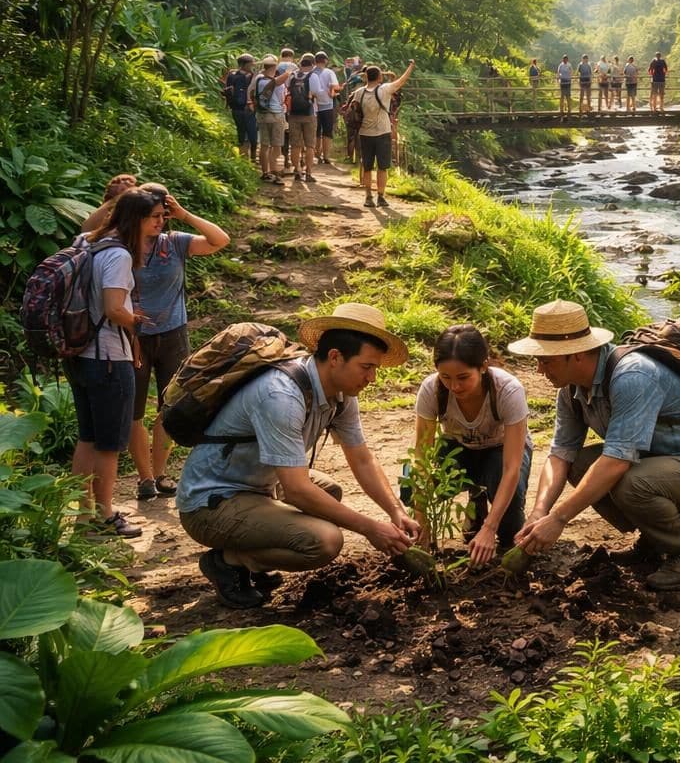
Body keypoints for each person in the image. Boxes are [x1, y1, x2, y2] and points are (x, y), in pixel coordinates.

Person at [177, 303, 419, 608]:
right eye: (367, 367)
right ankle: (230, 560)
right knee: (325, 541)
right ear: (335, 358)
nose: (372, 378)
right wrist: (370, 527)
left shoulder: (341, 394)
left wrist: (395, 512)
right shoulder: (281, 396)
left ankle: (255, 558)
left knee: (329, 491)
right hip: (211, 502)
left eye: (375, 369)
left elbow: (362, 459)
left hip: (258, 485)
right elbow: (297, 490)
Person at [511, 300, 680, 592]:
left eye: (547, 360)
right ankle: (656, 539)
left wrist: (559, 519)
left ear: (577, 354)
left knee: (629, 481)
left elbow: (617, 462)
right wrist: (539, 512)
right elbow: (560, 454)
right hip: (666, 469)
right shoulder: (571, 390)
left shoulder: (633, 375)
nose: (539, 369)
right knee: (580, 464)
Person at [68, 188, 163, 539]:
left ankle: (83, 516)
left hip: (79, 354)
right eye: (154, 217)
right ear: (136, 219)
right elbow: (112, 308)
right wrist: (136, 321)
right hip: (109, 357)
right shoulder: (119, 255)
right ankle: (106, 515)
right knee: (109, 444)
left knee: (88, 437)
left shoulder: (89, 242)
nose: (159, 223)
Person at [129, 184, 230, 502]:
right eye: (152, 215)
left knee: (168, 407)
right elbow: (86, 233)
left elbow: (219, 240)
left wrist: (185, 215)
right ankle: (144, 478)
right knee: (134, 412)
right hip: (132, 336)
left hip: (172, 334)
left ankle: (159, 474)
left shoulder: (174, 243)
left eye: (163, 214)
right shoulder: (121, 247)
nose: (159, 221)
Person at [411, 325, 533, 563]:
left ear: (484, 366)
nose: (454, 387)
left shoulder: (508, 391)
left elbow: (511, 468)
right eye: (446, 377)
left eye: (463, 377)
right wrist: (424, 529)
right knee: (412, 485)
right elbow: (421, 457)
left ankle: (486, 509)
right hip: (459, 450)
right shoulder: (432, 389)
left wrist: (489, 529)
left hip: (501, 452)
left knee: (509, 531)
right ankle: (476, 499)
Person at [349, 60, 415, 209]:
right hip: (383, 132)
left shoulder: (359, 93)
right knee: (382, 167)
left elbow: (352, 109)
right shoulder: (384, 90)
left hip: (365, 133)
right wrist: (410, 67)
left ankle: (368, 197)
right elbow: (401, 81)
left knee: (367, 166)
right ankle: (380, 196)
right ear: (379, 77)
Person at [253, 55, 288, 185]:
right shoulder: (276, 83)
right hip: (275, 115)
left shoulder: (258, 80)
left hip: (262, 115)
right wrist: (289, 71)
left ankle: (265, 172)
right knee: (277, 146)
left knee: (264, 145)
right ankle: (275, 173)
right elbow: (281, 97)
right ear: (274, 66)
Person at [287, 54, 319, 183]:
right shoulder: (313, 76)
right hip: (309, 114)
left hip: (293, 115)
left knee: (295, 145)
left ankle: (297, 171)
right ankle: (309, 173)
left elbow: (287, 91)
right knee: (310, 145)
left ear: (300, 64)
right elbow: (317, 92)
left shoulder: (292, 76)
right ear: (312, 65)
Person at [222, 54, 258, 163]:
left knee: (247, 132)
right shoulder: (250, 76)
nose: (252, 66)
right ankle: (248, 156)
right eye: (250, 64)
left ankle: (248, 156)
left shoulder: (233, 75)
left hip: (242, 108)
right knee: (247, 132)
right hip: (245, 108)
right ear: (244, 64)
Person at [310, 52, 339, 166]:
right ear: (326, 60)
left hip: (314, 106)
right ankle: (326, 156)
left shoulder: (311, 72)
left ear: (315, 61)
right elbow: (335, 86)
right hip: (327, 105)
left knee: (316, 131)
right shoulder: (329, 72)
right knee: (327, 131)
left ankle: (317, 155)